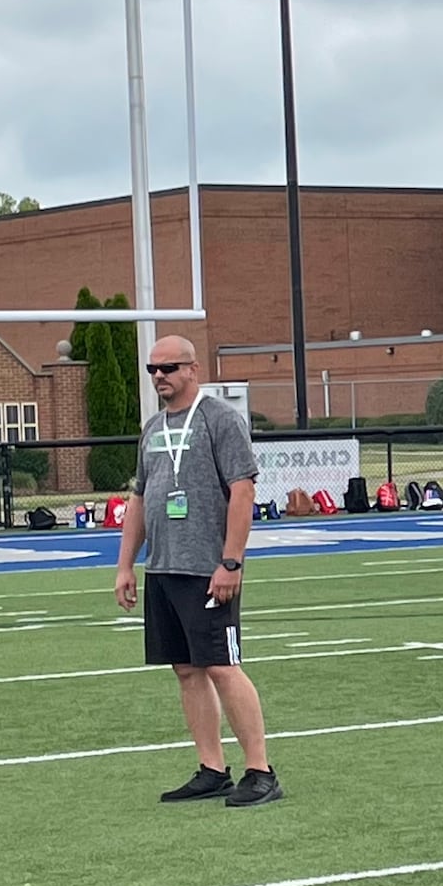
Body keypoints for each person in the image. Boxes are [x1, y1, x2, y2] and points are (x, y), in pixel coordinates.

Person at [113, 335, 281, 807]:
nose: (159, 376)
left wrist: (231, 561)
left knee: (223, 666)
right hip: (163, 567)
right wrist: (126, 564)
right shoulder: (151, 429)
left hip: (207, 567)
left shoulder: (220, 419)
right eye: (152, 369)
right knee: (186, 669)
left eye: (169, 367)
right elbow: (140, 499)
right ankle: (212, 767)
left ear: (192, 370)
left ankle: (261, 770)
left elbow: (243, 490)